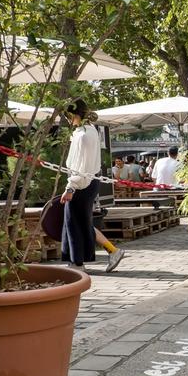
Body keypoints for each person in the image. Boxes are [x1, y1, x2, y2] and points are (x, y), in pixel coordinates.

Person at [60, 99, 124, 272]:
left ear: (73, 114)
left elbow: (81, 165)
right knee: (80, 221)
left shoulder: (83, 135)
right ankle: (111, 251)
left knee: (74, 223)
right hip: (88, 180)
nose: (67, 119)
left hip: (82, 182)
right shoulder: (90, 130)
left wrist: (71, 187)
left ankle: (77, 262)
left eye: (68, 115)